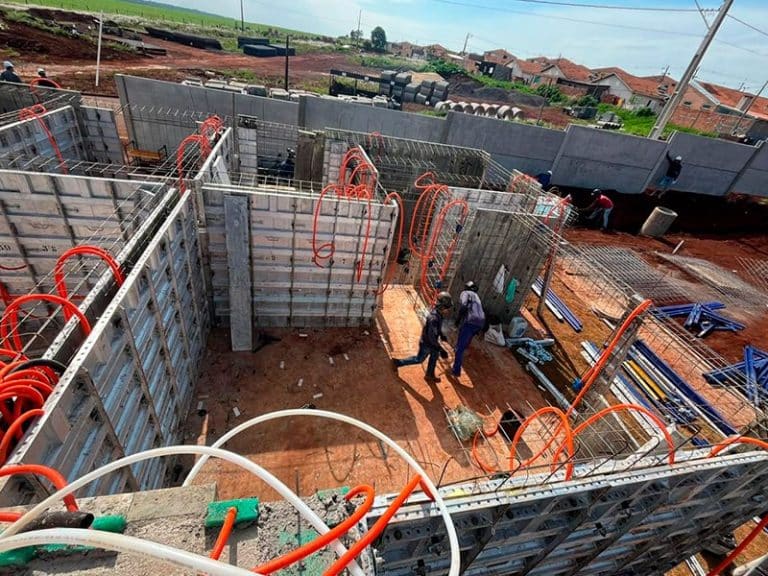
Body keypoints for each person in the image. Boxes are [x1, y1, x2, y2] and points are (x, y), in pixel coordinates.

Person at [393, 291, 453, 382]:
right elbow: (431, 337)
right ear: (442, 307)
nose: (448, 310)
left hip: (432, 343)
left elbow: (437, 329)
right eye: (447, 308)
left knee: (434, 356)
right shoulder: (434, 319)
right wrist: (441, 349)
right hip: (427, 344)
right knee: (419, 359)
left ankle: (429, 375)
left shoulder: (439, 315)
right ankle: (398, 362)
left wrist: (441, 335)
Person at [452, 281, 485, 377]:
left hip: (471, 321)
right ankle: (463, 347)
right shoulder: (477, 296)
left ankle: (456, 370)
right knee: (468, 335)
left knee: (459, 348)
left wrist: (457, 321)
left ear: (466, 287)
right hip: (481, 322)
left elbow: (463, 306)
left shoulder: (465, 293)